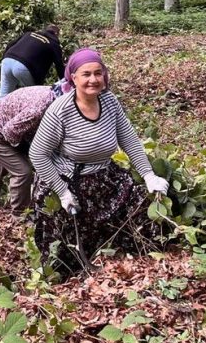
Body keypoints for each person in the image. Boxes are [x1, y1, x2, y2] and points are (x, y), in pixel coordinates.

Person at [28, 49, 169, 275]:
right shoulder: (60, 110)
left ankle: (133, 265)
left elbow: (129, 139)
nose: (93, 80)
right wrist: (62, 192)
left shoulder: (109, 101)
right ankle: (68, 279)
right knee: (67, 240)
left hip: (104, 175)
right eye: (86, 74)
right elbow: (37, 154)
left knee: (138, 205)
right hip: (66, 179)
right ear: (73, 78)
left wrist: (148, 175)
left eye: (98, 73)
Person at [0, 84, 64, 213]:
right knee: (22, 171)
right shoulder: (40, 109)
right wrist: (29, 151)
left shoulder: (57, 93)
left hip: (0, 122)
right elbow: (10, 132)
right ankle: (19, 214)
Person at [0, 25, 65, 99]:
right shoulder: (53, 43)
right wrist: (66, 81)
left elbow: (10, 44)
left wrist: (3, 59)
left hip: (7, 60)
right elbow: (59, 66)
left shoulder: (29, 34)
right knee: (33, 98)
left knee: (3, 96)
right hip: (23, 66)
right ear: (56, 34)